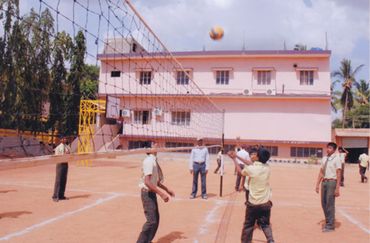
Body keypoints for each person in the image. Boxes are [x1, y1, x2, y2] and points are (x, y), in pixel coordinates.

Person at [229, 148, 275, 243]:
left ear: (258, 157)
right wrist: (236, 156)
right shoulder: (267, 167)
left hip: (253, 203)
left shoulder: (252, 169)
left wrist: (234, 159)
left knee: (248, 225)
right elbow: (249, 163)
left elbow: (240, 172)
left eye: (255, 154)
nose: (253, 155)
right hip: (265, 203)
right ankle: (271, 240)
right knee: (265, 224)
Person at [137, 143, 175, 243]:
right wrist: (161, 194)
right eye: (154, 144)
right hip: (147, 193)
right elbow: (147, 182)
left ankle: (148, 240)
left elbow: (155, 181)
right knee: (151, 221)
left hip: (151, 193)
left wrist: (167, 189)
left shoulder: (153, 160)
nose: (156, 145)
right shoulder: (149, 161)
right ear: (149, 149)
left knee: (156, 220)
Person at [315, 142, 341, 232]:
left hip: (332, 182)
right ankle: (328, 220)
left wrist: (337, 188)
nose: (328, 149)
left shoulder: (337, 158)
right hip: (324, 182)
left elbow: (338, 173)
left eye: (330, 148)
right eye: (327, 147)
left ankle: (330, 225)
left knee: (330, 203)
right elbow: (321, 172)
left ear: (334, 150)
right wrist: (317, 184)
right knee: (323, 203)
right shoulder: (324, 159)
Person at [52, 135, 71, 202]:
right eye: (63, 138)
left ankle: (61, 195)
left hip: (65, 163)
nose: (65, 139)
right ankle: (55, 196)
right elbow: (57, 156)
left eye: (65, 138)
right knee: (58, 180)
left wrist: (68, 155)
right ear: (61, 139)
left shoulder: (67, 147)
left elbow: (70, 154)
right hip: (60, 163)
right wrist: (64, 155)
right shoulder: (58, 147)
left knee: (64, 179)